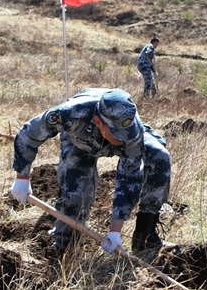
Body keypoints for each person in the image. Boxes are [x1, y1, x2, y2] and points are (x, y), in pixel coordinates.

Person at [10, 88, 172, 255]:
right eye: (117, 133)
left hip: (114, 132)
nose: (122, 139)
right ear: (98, 122)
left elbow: (129, 179)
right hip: (79, 142)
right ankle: (64, 245)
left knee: (159, 156)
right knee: (77, 195)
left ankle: (144, 237)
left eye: (126, 133)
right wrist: (22, 177)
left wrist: (115, 231)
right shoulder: (71, 114)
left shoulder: (132, 133)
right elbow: (28, 134)